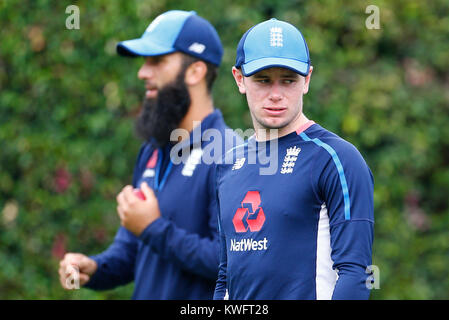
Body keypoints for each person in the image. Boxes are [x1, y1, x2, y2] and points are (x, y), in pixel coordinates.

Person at [59, 10, 240, 299]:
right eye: (145, 62)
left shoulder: (229, 154)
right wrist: (95, 267)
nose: (143, 72)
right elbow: (132, 250)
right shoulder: (152, 151)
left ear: (195, 71)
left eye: (157, 61)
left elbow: (232, 263)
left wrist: (154, 228)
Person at [213, 18, 374, 300]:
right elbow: (226, 277)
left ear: (307, 80)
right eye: (263, 80)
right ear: (239, 79)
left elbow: (355, 274)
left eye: (288, 80)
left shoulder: (337, 159)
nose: (276, 95)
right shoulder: (227, 165)